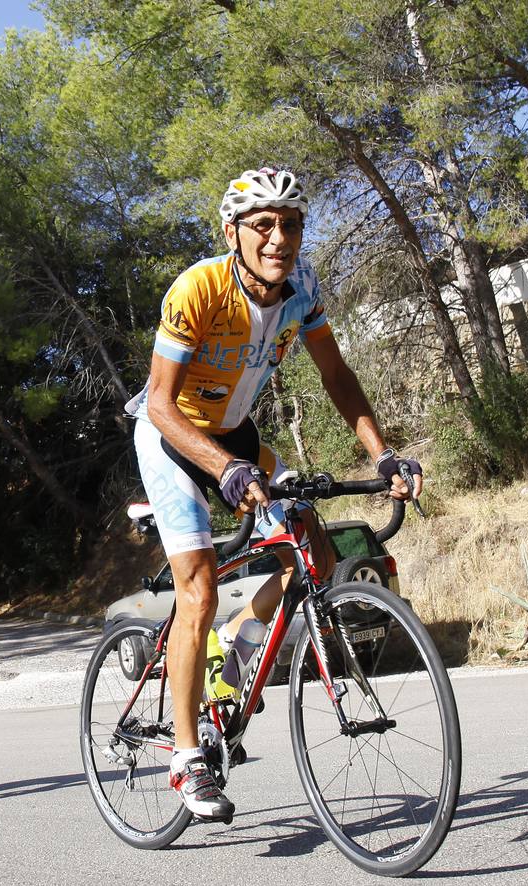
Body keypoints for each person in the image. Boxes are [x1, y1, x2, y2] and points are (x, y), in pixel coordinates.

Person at [124, 168, 423, 821]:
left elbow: (336, 375)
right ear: (233, 232)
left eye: (289, 224)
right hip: (170, 434)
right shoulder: (198, 288)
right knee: (196, 585)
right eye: (262, 224)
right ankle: (185, 758)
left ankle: (235, 642)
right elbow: (158, 402)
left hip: (237, 433)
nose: (278, 237)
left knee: (309, 554)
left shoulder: (303, 289)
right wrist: (225, 471)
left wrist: (383, 453)